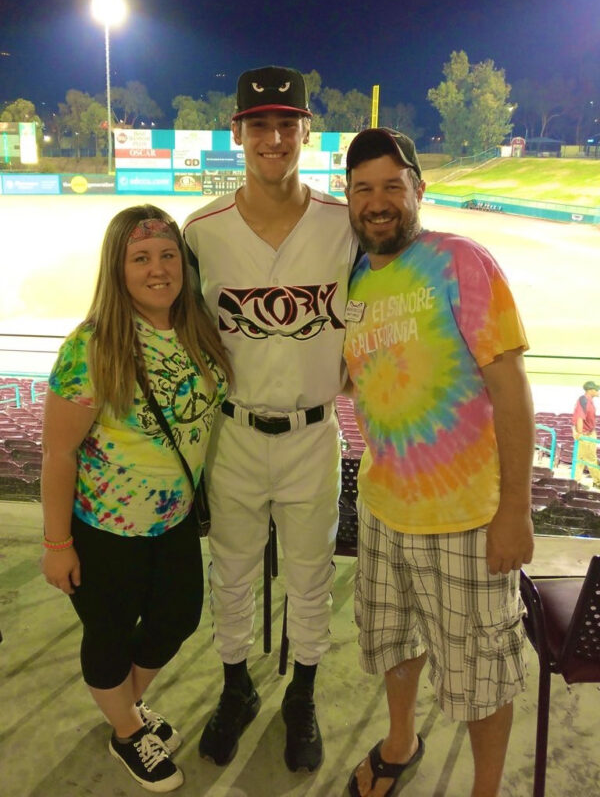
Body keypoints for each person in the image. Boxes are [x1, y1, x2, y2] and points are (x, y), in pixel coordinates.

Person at [342, 128, 535, 797]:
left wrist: (514, 510)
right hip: (384, 506)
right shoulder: (358, 278)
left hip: (466, 519)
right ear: (349, 200)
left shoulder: (461, 261)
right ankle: (401, 740)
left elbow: (510, 387)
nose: (377, 202)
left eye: (392, 187)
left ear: (418, 191)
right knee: (393, 642)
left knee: (482, 671)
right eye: (362, 189)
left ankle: (485, 789)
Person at [182, 65, 358, 773]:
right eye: (260, 125)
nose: (274, 137)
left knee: (312, 576)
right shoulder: (202, 230)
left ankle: (302, 696)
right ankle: (236, 688)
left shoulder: (344, 225)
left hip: (315, 433)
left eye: (288, 124)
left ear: (307, 132)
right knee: (231, 574)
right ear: (238, 134)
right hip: (235, 434)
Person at [41, 205, 230, 792]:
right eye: (141, 258)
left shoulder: (195, 326)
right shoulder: (92, 346)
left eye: (168, 255)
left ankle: (123, 707)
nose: (158, 269)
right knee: (109, 635)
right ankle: (126, 732)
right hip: (105, 531)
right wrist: (56, 544)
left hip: (172, 520)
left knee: (177, 618)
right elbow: (57, 454)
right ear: (117, 268)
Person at [572, 380, 600, 487]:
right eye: (596, 389)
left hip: (590, 433)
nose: (598, 391)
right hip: (585, 434)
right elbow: (579, 418)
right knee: (586, 459)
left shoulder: (589, 400)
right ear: (590, 390)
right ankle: (596, 481)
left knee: (582, 459)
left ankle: (576, 481)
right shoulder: (583, 401)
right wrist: (580, 434)